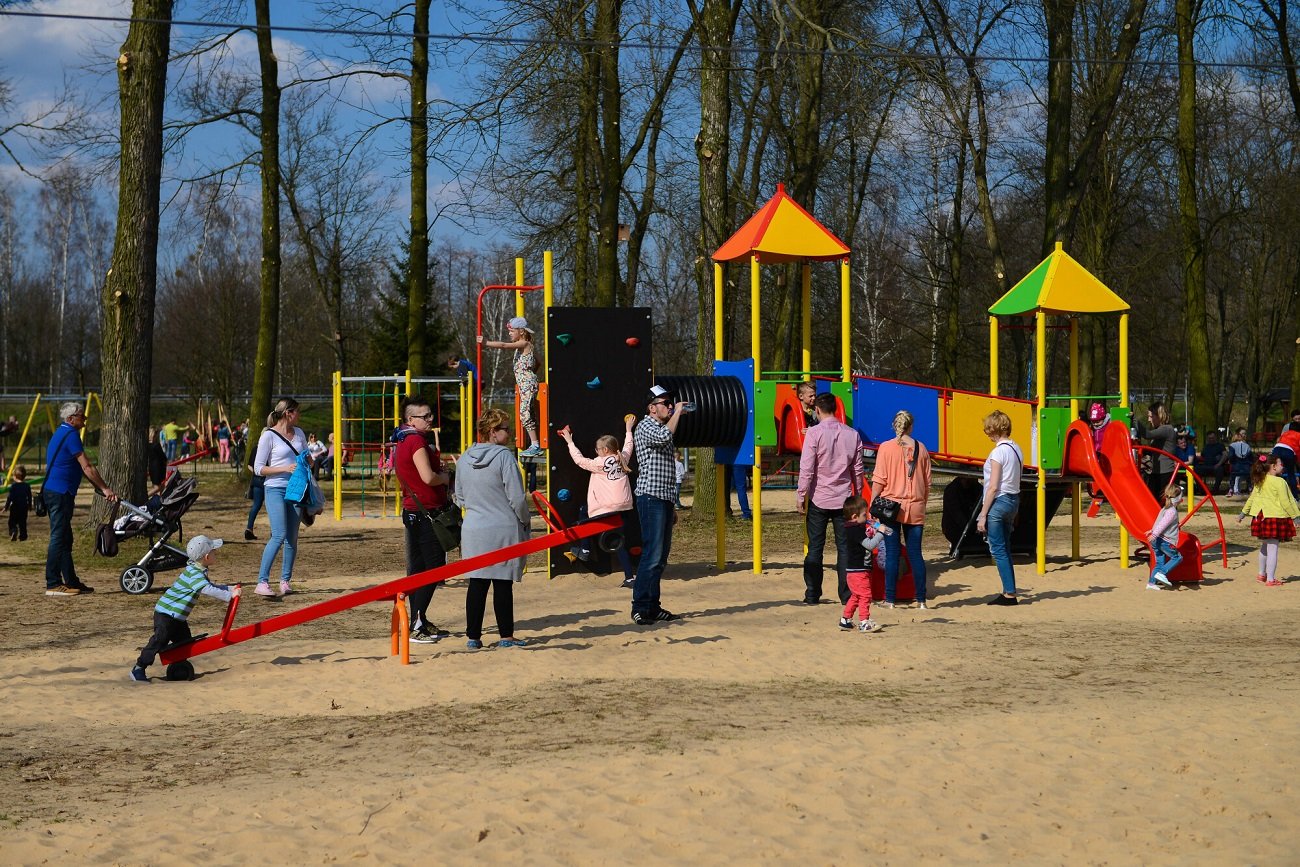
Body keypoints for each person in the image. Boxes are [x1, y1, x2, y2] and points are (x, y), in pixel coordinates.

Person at [456, 408, 531, 648]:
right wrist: (525, 520)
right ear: (492, 432)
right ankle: (506, 636)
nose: (509, 434)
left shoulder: (465, 457)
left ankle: (473, 638)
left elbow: (459, 496)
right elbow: (517, 498)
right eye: (505, 429)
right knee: (502, 584)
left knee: (477, 584)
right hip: (502, 526)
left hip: (474, 528)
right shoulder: (504, 457)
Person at [130, 535, 237, 682]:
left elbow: (211, 586)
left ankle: (178, 667)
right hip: (166, 614)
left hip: (177, 617)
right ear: (206, 556)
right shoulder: (195, 574)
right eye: (214, 551)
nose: (216, 553)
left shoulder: (197, 569)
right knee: (159, 640)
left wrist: (230, 589)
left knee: (185, 643)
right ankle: (139, 667)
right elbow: (208, 590)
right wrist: (229, 596)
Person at [393, 396, 452, 643]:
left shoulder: (402, 440)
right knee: (433, 568)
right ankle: (417, 623)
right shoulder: (416, 440)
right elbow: (428, 477)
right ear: (410, 419)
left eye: (430, 415)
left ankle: (419, 619)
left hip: (413, 510)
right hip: (426, 511)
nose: (430, 420)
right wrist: (446, 477)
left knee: (418, 569)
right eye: (424, 416)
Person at [798, 392, 866, 606]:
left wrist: (801, 494)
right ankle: (846, 594)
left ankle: (812, 593)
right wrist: (859, 492)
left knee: (815, 548)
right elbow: (858, 468)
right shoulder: (852, 434)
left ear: (817, 410)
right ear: (835, 409)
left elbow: (807, 468)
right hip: (844, 498)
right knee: (844, 548)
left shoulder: (814, 433)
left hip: (819, 498)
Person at [42, 401, 117, 596]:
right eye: (81, 416)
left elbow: (79, 468)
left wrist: (98, 488)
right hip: (60, 493)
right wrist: (105, 488)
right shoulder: (71, 434)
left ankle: (71, 582)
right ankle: (52, 583)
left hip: (57, 491)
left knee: (65, 537)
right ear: (70, 419)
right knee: (59, 537)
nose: (84, 419)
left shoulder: (62, 432)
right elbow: (87, 467)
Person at [631, 385, 687, 625]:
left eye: (670, 403)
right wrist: (678, 413)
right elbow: (666, 436)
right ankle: (640, 607)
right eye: (665, 403)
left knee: (661, 557)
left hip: (663, 498)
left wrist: (672, 505)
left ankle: (653, 606)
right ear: (652, 408)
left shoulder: (662, 425)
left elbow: (668, 471)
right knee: (651, 555)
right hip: (650, 497)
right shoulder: (646, 426)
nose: (670, 406)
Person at [559, 416, 636, 588]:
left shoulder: (599, 463)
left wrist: (569, 441)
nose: (596, 451)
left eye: (598, 449)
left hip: (605, 507)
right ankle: (630, 577)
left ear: (606, 450)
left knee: (583, 512)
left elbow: (579, 460)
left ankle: (585, 549)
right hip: (623, 506)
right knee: (618, 540)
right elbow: (628, 445)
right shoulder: (623, 457)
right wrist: (628, 429)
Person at [870, 409, 932, 609]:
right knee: (915, 553)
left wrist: (873, 502)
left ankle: (890, 599)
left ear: (894, 425)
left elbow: (879, 480)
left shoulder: (886, 448)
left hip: (891, 508)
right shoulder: (921, 448)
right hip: (915, 507)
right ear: (911, 426)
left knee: (892, 552)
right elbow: (928, 482)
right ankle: (921, 599)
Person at [252, 397, 309, 597]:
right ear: (288, 413)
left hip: (297, 489)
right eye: (297, 412)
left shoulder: (299, 433)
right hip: (274, 488)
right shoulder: (268, 436)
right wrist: (285, 468)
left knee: (292, 537)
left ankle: (285, 581)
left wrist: (308, 458)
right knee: (279, 534)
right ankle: (262, 581)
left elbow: (305, 457)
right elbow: (259, 468)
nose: (299, 415)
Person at [977, 409, 1024, 606]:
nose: (987, 433)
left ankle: (1010, 593)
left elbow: (994, 486)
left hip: (1000, 501)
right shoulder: (1016, 448)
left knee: (998, 550)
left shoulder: (998, 452)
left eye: (988, 429)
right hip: (1013, 499)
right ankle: (1008, 590)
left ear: (994, 429)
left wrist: (982, 514)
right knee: (1005, 548)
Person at [478, 317, 542, 457]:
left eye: (512, 331)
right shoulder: (527, 346)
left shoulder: (524, 343)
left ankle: (535, 444)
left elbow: (503, 346)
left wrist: (485, 342)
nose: (509, 334)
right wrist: (530, 373)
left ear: (521, 331)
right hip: (525, 384)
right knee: (527, 414)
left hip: (527, 385)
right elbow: (538, 361)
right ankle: (535, 443)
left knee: (524, 414)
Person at [1238, 455, 1300, 587]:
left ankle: (1261, 574)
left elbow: (1251, 498)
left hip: (1260, 517)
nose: (1282, 466)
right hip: (1274, 517)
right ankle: (1270, 579)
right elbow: (1286, 501)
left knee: (1265, 546)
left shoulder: (1260, 480)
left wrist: (1243, 513)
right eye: (1280, 464)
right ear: (1273, 467)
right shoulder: (1279, 482)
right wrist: (1295, 516)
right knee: (1273, 548)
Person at [838, 495, 887, 633]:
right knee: (865, 595)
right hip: (858, 571)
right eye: (865, 514)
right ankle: (864, 621)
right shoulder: (855, 530)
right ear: (854, 516)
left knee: (856, 596)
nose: (867, 517)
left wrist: (876, 527)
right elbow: (870, 545)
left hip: (856, 570)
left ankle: (845, 620)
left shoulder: (856, 526)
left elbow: (878, 533)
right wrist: (880, 534)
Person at [1146, 483, 1182, 590]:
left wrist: (1152, 531)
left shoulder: (1165, 509)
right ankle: (1162, 573)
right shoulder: (1172, 511)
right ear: (1178, 499)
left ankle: (1151, 583)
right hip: (1164, 540)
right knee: (1177, 557)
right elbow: (1163, 524)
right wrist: (1154, 533)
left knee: (1160, 562)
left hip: (1156, 540)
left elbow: (1158, 522)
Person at [1270, 425, 1300, 497]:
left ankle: (1272, 493)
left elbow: (1278, 441)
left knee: (1274, 472)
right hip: (1288, 451)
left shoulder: (1284, 434)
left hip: (1277, 449)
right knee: (1291, 474)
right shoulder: (1298, 435)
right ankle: (1295, 496)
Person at [3, 465, 32, 541]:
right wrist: (30, 505)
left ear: (15, 476)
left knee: (12, 521)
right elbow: (29, 496)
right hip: (23, 507)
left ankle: (13, 531)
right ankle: (23, 535)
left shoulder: (13, 486)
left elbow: (10, 497)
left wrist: (6, 507)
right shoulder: (27, 486)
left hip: (15, 507)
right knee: (22, 522)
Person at [1196, 429, 1228, 495]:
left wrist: (1219, 464)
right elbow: (1202, 455)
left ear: (1215, 437)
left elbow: (1225, 455)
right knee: (1196, 470)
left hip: (1216, 466)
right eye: (1209, 438)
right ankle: (1202, 490)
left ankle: (1215, 490)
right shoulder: (1206, 447)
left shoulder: (1220, 446)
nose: (1211, 439)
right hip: (1206, 466)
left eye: (1212, 438)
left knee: (1220, 470)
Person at [1228, 428, 1253, 497]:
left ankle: (1231, 489)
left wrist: (1231, 461)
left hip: (1235, 467)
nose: (1244, 435)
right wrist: (1249, 464)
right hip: (1246, 468)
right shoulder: (1248, 446)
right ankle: (1250, 488)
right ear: (1239, 435)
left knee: (1233, 475)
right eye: (1243, 434)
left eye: (1245, 433)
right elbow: (1251, 458)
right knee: (1248, 476)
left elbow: (1231, 456)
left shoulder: (1233, 445)